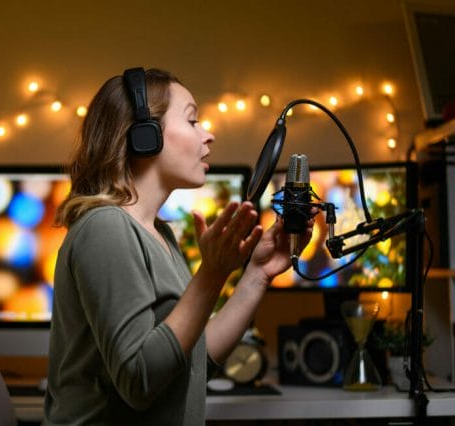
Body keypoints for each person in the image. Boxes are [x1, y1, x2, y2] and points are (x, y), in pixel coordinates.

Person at [43, 68, 313, 425]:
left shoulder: (160, 236)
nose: (209, 135)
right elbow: (138, 380)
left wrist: (257, 274)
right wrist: (212, 273)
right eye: (192, 121)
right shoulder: (104, 227)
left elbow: (192, 363)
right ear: (144, 135)